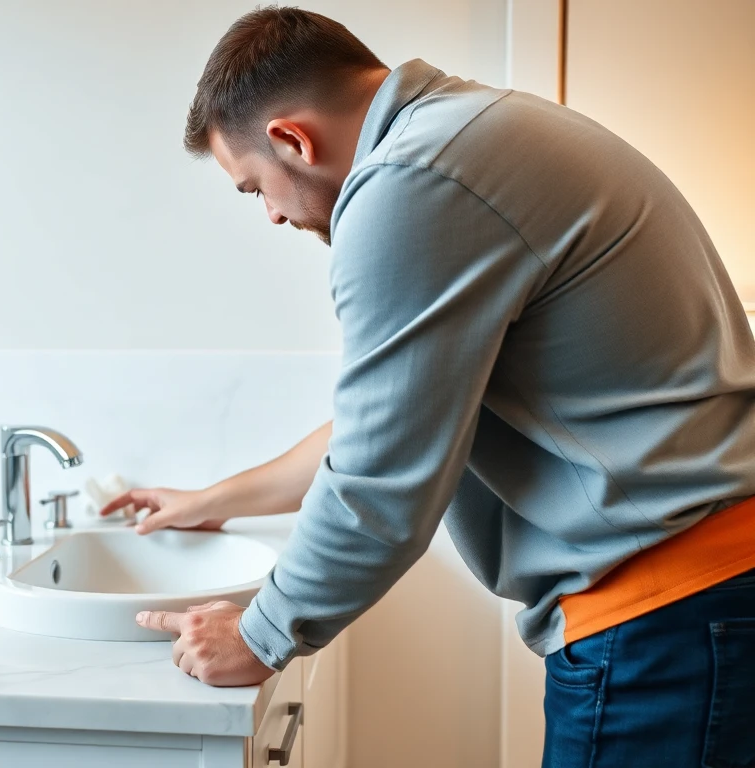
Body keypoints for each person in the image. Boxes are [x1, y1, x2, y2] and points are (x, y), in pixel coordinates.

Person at [99, 7, 755, 767]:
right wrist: (213, 501)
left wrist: (259, 635)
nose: (274, 215)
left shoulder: (411, 184)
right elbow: (387, 422)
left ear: (291, 140)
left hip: (666, 623)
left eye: (255, 191)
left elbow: (383, 476)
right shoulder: (469, 133)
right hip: (699, 599)